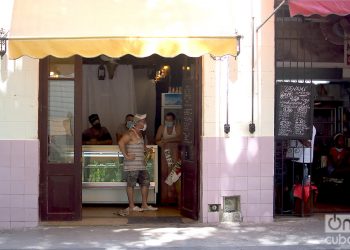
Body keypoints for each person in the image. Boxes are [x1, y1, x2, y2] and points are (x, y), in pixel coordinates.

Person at [118, 113, 158, 215]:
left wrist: (147, 149)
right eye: (143, 121)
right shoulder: (130, 133)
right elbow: (121, 143)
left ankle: (144, 204)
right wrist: (126, 156)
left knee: (145, 182)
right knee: (131, 184)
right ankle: (131, 206)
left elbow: (141, 146)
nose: (145, 123)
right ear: (138, 123)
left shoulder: (140, 133)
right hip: (132, 165)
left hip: (140, 164)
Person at [155, 112, 182, 204]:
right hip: (165, 153)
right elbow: (157, 139)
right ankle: (165, 198)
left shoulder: (178, 127)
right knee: (165, 173)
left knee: (175, 173)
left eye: (170, 120)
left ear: (174, 120)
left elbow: (180, 138)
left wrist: (166, 140)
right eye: (166, 120)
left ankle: (177, 198)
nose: (168, 121)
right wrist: (160, 143)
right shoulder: (162, 127)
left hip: (176, 153)